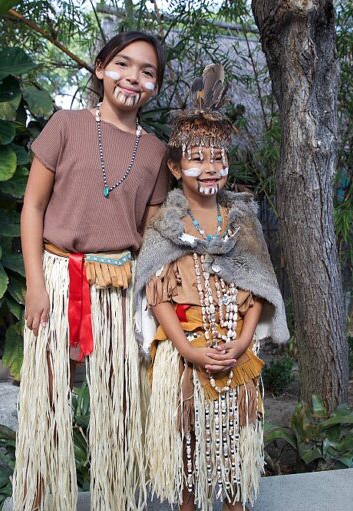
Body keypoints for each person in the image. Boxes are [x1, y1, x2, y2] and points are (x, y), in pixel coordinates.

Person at [14, 31, 170, 511]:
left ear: (155, 88)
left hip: (118, 287)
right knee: (47, 402)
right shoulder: (64, 125)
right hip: (58, 276)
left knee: (118, 406)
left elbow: (154, 234)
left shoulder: (157, 153)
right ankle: (41, 500)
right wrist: (36, 286)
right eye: (123, 64)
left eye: (147, 72)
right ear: (101, 68)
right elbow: (32, 208)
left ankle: (118, 500)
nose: (133, 78)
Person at [134, 64, 289, 511]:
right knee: (187, 444)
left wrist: (243, 342)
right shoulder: (166, 226)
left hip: (237, 354)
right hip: (186, 358)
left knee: (237, 447)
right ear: (175, 165)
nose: (210, 168)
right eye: (198, 158)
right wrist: (187, 349)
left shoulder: (242, 222)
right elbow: (156, 293)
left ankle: (235, 503)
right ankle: (187, 501)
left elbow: (258, 288)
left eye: (219, 157)